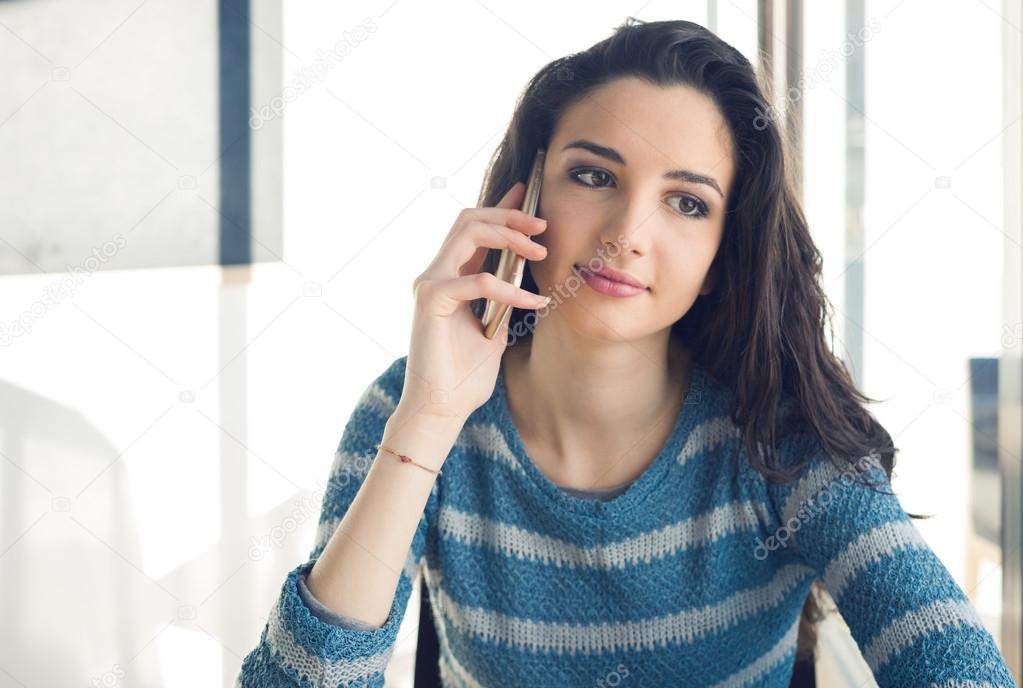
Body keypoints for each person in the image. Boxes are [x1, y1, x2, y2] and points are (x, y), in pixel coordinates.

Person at [236, 17, 1017, 687]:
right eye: (593, 175)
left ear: (723, 256)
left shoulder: (780, 432)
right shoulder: (408, 405)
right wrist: (428, 422)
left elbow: (953, 658)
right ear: (525, 198)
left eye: (686, 202)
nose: (625, 234)